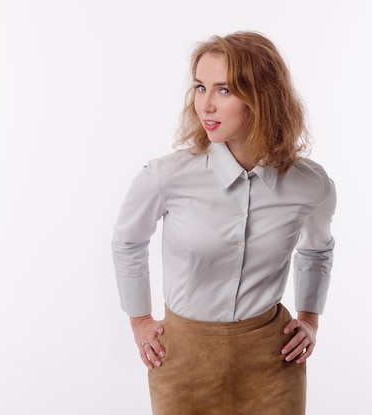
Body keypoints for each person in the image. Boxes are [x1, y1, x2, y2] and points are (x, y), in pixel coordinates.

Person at [111, 31, 336, 415]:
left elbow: (316, 251)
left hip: (273, 359)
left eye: (224, 90)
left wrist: (310, 319)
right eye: (200, 87)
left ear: (263, 96)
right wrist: (140, 322)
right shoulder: (166, 176)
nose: (206, 105)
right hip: (183, 360)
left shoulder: (309, 184)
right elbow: (127, 242)